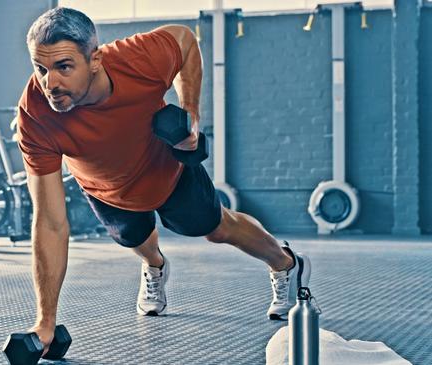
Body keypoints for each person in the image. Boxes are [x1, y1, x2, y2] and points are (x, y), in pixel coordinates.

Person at [16, 7, 311, 354]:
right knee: (136, 239)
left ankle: (285, 262)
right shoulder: (35, 114)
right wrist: (45, 322)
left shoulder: (138, 59)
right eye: (40, 68)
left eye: (63, 67)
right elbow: (50, 222)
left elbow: (185, 41)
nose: (50, 83)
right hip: (108, 191)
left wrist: (191, 111)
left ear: (94, 59)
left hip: (167, 171)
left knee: (217, 228)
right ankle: (155, 266)